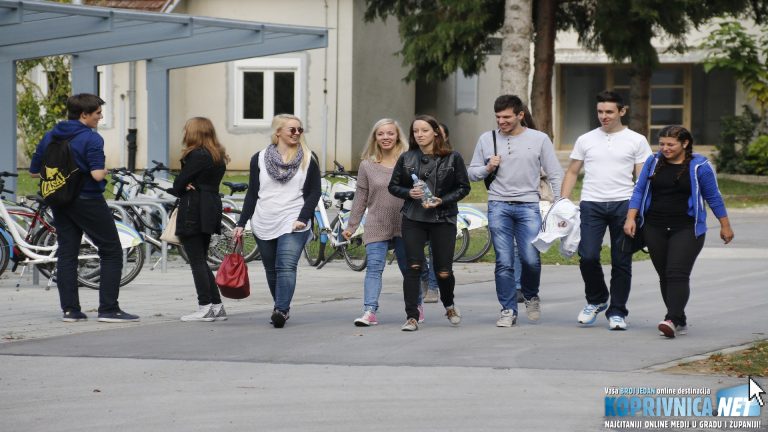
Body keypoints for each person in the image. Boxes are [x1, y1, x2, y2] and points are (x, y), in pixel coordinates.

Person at [29, 93, 139, 323]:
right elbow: (97, 173)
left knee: (67, 252)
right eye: (98, 113)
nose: (100, 117)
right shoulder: (91, 138)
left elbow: (34, 170)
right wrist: (105, 171)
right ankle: (109, 309)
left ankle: (71, 311)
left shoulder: (50, 135)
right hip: (87, 199)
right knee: (111, 250)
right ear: (84, 115)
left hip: (59, 201)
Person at [624, 126, 733, 338]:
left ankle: (672, 319)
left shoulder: (699, 166)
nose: (665, 148)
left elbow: (714, 197)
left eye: (670, 144)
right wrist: (631, 218)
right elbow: (639, 190)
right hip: (654, 226)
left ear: (685, 144)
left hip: (686, 227)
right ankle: (678, 318)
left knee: (677, 272)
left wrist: (725, 225)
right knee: (664, 274)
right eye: (662, 144)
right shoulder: (653, 162)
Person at [468, 95, 563, 327]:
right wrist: (488, 167)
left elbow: (554, 172)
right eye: (498, 117)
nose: (502, 121)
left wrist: (560, 202)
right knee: (504, 261)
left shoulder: (539, 139)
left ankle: (531, 295)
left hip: (529, 205)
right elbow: (471, 173)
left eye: (507, 117)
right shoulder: (486, 139)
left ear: (520, 115)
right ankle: (507, 309)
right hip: (498, 204)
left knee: (530, 258)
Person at [561, 90, 652, 330]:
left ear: (622, 111)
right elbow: (572, 172)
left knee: (621, 261)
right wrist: (562, 201)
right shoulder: (586, 139)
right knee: (588, 255)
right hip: (591, 204)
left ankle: (618, 312)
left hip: (624, 204)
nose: (604, 116)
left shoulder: (637, 140)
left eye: (609, 112)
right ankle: (597, 299)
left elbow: (642, 178)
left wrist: (637, 211)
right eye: (600, 111)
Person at [233, 114, 321, 328]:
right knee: (271, 269)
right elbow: (253, 193)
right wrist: (241, 223)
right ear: (278, 132)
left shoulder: (309, 158)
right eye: (292, 129)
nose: (297, 133)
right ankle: (280, 306)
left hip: (293, 220)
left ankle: (281, 310)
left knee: (286, 266)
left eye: (300, 130)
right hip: (264, 220)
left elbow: (314, 192)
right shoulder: (259, 158)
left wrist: (303, 217)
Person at [388, 114, 470, 331]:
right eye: (416, 131)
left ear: (435, 132)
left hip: (443, 218)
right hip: (413, 217)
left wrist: (442, 200)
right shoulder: (406, 158)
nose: (419, 135)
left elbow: (464, 187)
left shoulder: (453, 157)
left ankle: (449, 304)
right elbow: (393, 186)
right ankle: (412, 316)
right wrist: (409, 193)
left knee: (443, 270)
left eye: (424, 130)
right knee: (413, 267)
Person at [342, 118, 411, 326]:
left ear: (397, 135)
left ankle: (415, 307)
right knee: (374, 267)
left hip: (405, 222)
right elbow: (361, 197)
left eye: (390, 133)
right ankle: (369, 311)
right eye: (381, 134)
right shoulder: (367, 165)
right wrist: (352, 226)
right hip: (376, 222)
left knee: (408, 269)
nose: (385, 137)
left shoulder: (408, 161)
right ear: (375, 138)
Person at [167, 117, 229, 322]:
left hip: (194, 208)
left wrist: (183, 184)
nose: (184, 132)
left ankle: (205, 306)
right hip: (210, 206)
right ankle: (217, 305)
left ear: (193, 132)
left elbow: (178, 184)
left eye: (186, 129)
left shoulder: (197, 155)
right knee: (201, 259)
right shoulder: (217, 155)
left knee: (196, 261)